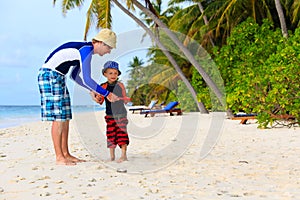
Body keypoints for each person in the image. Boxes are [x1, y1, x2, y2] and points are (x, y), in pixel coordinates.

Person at [37, 29, 119, 166]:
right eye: (109, 47)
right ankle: (59, 157)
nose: (109, 51)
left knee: (66, 117)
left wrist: (92, 91)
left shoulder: (86, 51)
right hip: (50, 75)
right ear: (101, 43)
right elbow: (87, 79)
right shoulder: (86, 50)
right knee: (58, 118)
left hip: (59, 77)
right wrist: (107, 94)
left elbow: (74, 76)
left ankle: (66, 154)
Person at [95, 61, 130, 163]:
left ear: (118, 74)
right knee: (111, 135)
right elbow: (100, 101)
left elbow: (125, 99)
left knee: (122, 134)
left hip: (121, 115)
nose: (113, 75)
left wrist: (125, 99)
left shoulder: (120, 85)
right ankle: (112, 156)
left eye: (115, 73)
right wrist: (96, 97)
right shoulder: (103, 87)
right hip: (109, 116)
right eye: (110, 73)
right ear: (105, 74)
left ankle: (124, 155)